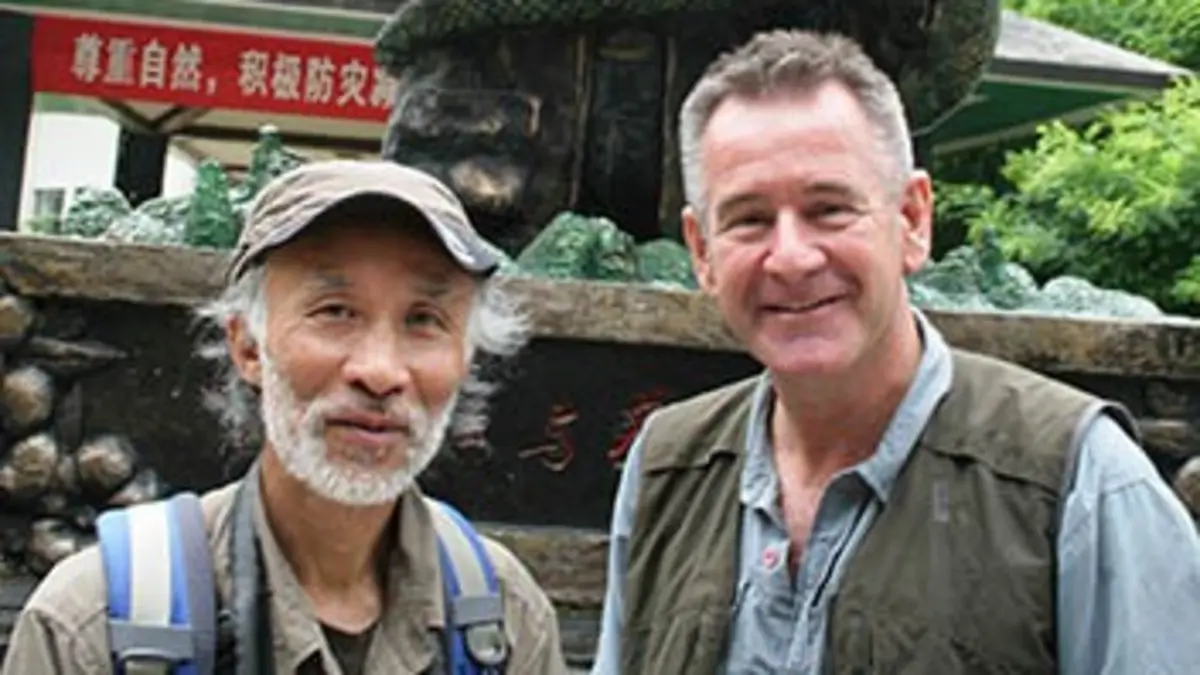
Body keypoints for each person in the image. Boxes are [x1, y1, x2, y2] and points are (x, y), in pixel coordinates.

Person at [590, 29, 1200, 675]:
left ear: (912, 219)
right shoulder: (666, 469)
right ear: (702, 251)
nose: (791, 257)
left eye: (829, 209)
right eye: (749, 220)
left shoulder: (1077, 480)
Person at [3, 159, 568, 675]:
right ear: (248, 346)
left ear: (466, 358)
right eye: (335, 311)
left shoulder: (505, 619)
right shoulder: (95, 623)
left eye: (424, 320)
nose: (379, 371)